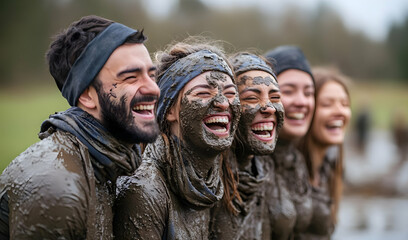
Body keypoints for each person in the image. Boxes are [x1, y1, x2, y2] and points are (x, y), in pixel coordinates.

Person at [0, 15, 160, 239]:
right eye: (131, 78)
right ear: (86, 96)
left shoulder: (112, 161)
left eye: (152, 75)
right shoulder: (56, 189)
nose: (154, 89)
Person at [113, 38, 241, 239]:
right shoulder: (143, 189)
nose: (224, 103)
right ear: (170, 110)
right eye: (203, 93)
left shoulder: (215, 182)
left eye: (231, 93)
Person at [209, 52, 284, 239]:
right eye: (251, 98)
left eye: (275, 98)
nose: (269, 107)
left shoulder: (265, 172)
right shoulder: (207, 182)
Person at [264, 45, 315, 238]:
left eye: (309, 93)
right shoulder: (247, 163)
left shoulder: (297, 159)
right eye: (288, 91)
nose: (302, 101)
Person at [298, 66, 352, 239]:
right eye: (327, 104)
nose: (340, 111)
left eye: (345, 104)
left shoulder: (331, 171)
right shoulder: (287, 171)